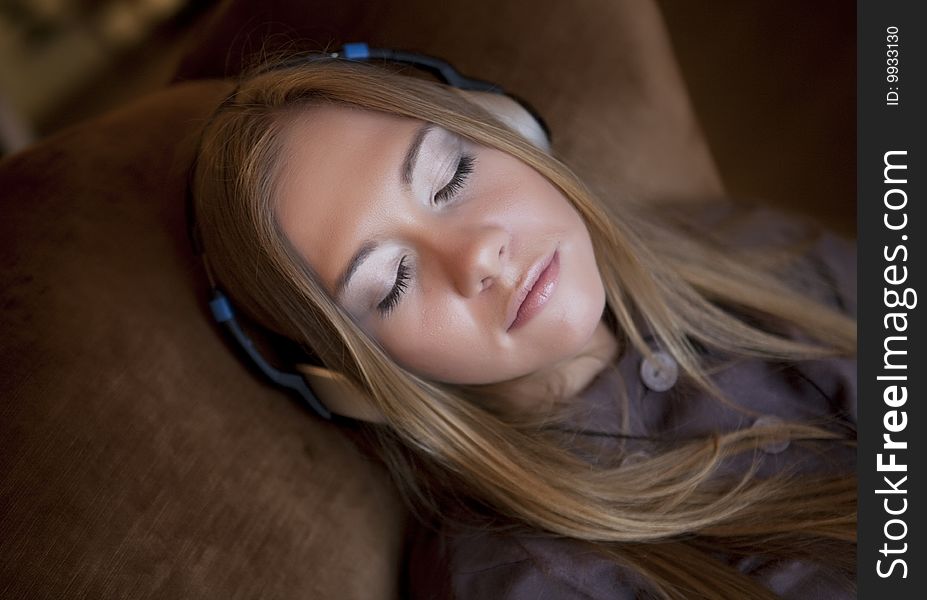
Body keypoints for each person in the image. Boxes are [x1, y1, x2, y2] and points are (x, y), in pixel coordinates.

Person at [189, 56, 857, 599]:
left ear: (508, 131)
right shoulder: (520, 578)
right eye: (389, 282)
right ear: (352, 382)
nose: (476, 255)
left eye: (450, 177)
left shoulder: (755, 248)